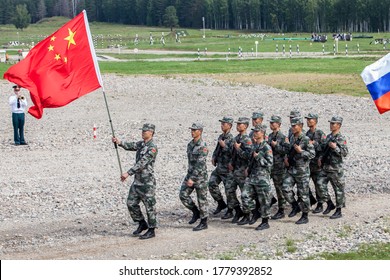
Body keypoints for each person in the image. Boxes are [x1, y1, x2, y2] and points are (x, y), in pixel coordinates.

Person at [112, 123, 158, 240]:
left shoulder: (152, 148)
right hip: (138, 181)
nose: (143, 132)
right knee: (131, 203)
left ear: (151, 132)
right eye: (142, 131)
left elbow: (142, 163)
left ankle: (151, 229)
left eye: (145, 131)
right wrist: (119, 142)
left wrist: (128, 173)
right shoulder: (142, 144)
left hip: (147, 182)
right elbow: (131, 145)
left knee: (149, 206)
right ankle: (142, 223)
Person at [282, 117, 315, 224]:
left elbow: (312, 154)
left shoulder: (305, 139)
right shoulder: (292, 138)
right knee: (285, 188)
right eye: (291, 125)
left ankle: (305, 215)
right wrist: (286, 159)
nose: (292, 127)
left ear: (300, 126)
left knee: (303, 194)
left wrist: (301, 151)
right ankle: (295, 206)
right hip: (291, 169)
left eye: (295, 125)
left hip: (302, 171)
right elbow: (289, 151)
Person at [240, 124, 273, 230]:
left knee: (264, 200)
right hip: (252, 176)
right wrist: (248, 169)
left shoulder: (266, 147)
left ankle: (265, 221)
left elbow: (269, 163)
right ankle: (255, 212)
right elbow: (251, 160)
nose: (255, 133)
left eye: (257, 131)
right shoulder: (254, 146)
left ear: (262, 133)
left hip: (262, 178)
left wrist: (258, 157)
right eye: (254, 131)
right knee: (245, 195)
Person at [179, 122, 209, 231]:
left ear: (200, 132)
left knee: (202, 199)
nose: (192, 132)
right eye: (191, 130)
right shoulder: (190, 144)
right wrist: (190, 176)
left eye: (194, 130)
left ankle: (204, 221)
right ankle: (195, 212)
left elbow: (200, 164)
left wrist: (193, 178)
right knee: (183, 194)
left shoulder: (203, 146)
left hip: (200, 177)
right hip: (190, 174)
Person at [317, 116, 348, 219]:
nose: (331, 125)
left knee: (338, 190)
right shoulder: (329, 136)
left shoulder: (341, 138)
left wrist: (336, 148)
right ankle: (329, 203)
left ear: (338, 125)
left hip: (335, 168)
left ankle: (339, 210)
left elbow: (344, 153)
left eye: (333, 123)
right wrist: (320, 158)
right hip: (326, 167)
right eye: (330, 123)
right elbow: (324, 149)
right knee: (319, 184)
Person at [223, 117, 252, 223]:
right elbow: (232, 153)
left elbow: (249, 156)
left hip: (243, 170)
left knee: (244, 194)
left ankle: (247, 214)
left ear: (246, 126)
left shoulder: (247, 140)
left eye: (241, 124)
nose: (238, 126)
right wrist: (231, 162)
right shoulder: (236, 138)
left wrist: (238, 148)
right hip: (235, 170)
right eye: (238, 124)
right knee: (229, 189)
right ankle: (237, 210)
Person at [208, 117, 234, 215]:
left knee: (229, 190)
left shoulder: (232, 139)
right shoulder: (221, 136)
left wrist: (225, 146)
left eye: (224, 124)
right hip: (219, 167)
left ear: (230, 126)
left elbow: (234, 153)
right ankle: (221, 203)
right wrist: (214, 157)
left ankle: (231, 209)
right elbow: (217, 149)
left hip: (227, 169)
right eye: (222, 124)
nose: (222, 125)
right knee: (211, 184)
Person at [305, 113, 327, 213]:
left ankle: (320, 203)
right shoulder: (307, 134)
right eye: (308, 119)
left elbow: (324, 148)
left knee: (318, 184)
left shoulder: (320, 133)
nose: (308, 121)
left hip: (317, 163)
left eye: (311, 119)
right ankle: (311, 200)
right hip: (309, 163)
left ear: (315, 121)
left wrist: (315, 144)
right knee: (304, 183)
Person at [267, 115, 288, 220]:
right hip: (271, 165)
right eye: (271, 123)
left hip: (279, 166)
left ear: (279, 124)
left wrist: (276, 146)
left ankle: (281, 209)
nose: (271, 124)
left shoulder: (283, 137)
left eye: (273, 123)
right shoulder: (270, 136)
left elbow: (286, 151)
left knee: (279, 188)